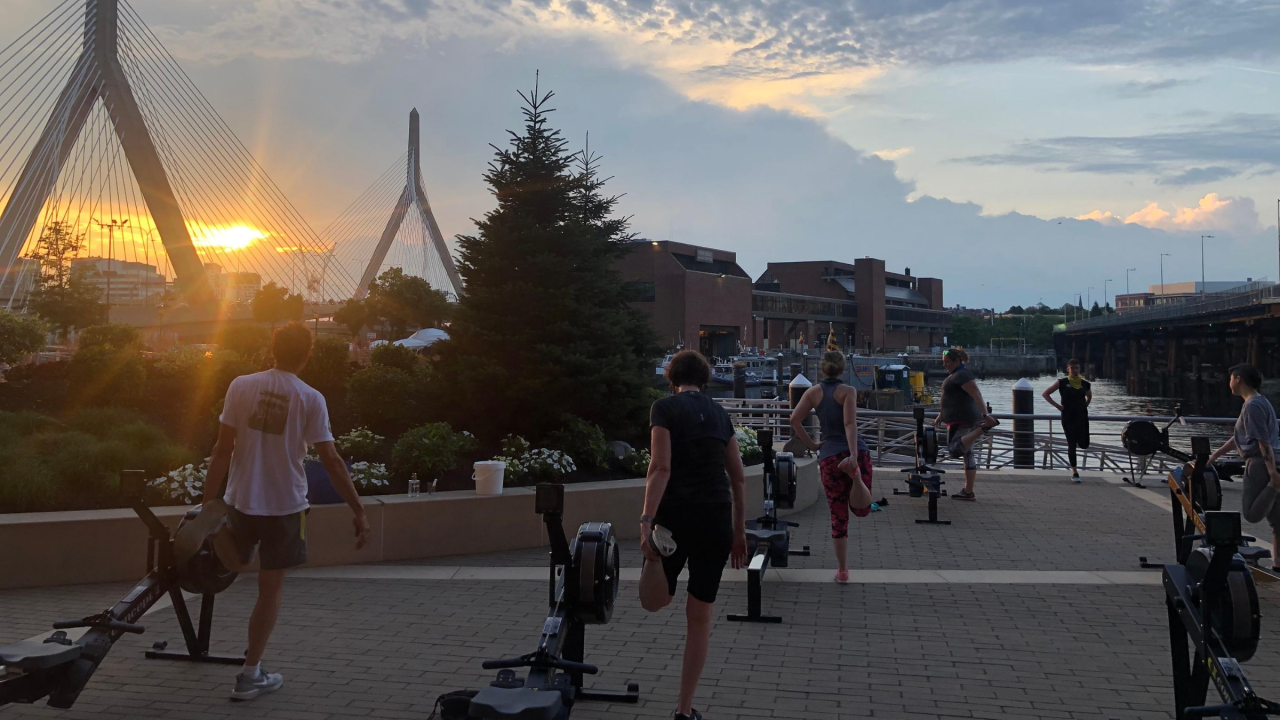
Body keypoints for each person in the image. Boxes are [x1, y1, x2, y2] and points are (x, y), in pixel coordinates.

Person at [176, 321, 371, 701]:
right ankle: (250, 675)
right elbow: (329, 459)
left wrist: (206, 504)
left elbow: (221, 448)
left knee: (237, 562)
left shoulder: (241, 385)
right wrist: (358, 509)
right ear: (307, 354)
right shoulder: (310, 397)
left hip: (240, 499)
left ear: (272, 348)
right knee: (270, 588)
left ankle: (222, 538)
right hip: (285, 505)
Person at [638, 350, 748, 720]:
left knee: (655, 601)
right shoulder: (720, 414)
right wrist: (739, 530)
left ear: (672, 378)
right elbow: (737, 476)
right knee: (699, 616)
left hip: (674, 518)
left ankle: (653, 557)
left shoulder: (664, 408)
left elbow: (661, 466)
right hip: (716, 518)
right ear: (706, 378)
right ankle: (684, 709)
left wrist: (645, 519)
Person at [789, 351, 873, 583]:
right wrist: (854, 455)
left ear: (822, 369)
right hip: (857, 452)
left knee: (838, 517)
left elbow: (794, 419)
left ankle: (843, 570)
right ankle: (855, 477)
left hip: (829, 457)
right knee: (862, 509)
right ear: (842, 369)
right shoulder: (848, 391)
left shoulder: (812, 392)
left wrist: (814, 445)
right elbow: (849, 422)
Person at [1208, 364, 1280, 564]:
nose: (1228, 382)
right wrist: (1214, 456)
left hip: (1260, 464)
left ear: (1239, 379)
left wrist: (1272, 475)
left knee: (1251, 513)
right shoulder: (1259, 402)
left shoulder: (1252, 405)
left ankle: (1275, 486)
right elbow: (1238, 439)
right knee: (1278, 522)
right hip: (1272, 459)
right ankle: (1278, 564)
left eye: (1230, 378)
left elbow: (1262, 441)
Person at [933, 348, 997, 501]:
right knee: (968, 454)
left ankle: (983, 428)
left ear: (957, 361)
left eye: (947, 362)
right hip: (958, 418)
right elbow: (954, 399)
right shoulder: (956, 375)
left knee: (954, 450)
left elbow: (976, 394)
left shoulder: (962, 375)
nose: (945, 365)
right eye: (943, 362)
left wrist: (985, 416)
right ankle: (968, 492)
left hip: (962, 420)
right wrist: (941, 415)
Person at [1042, 359, 1092, 483]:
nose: (1075, 370)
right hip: (1068, 416)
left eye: (1077, 368)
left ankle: (1078, 443)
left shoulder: (1085, 384)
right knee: (1071, 443)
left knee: (1084, 443)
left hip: (1081, 416)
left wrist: (1085, 405)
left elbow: (1089, 396)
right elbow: (1045, 394)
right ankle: (1075, 472)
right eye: (1073, 368)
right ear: (1068, 369)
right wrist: (1058, 406)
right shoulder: (1062, 382)